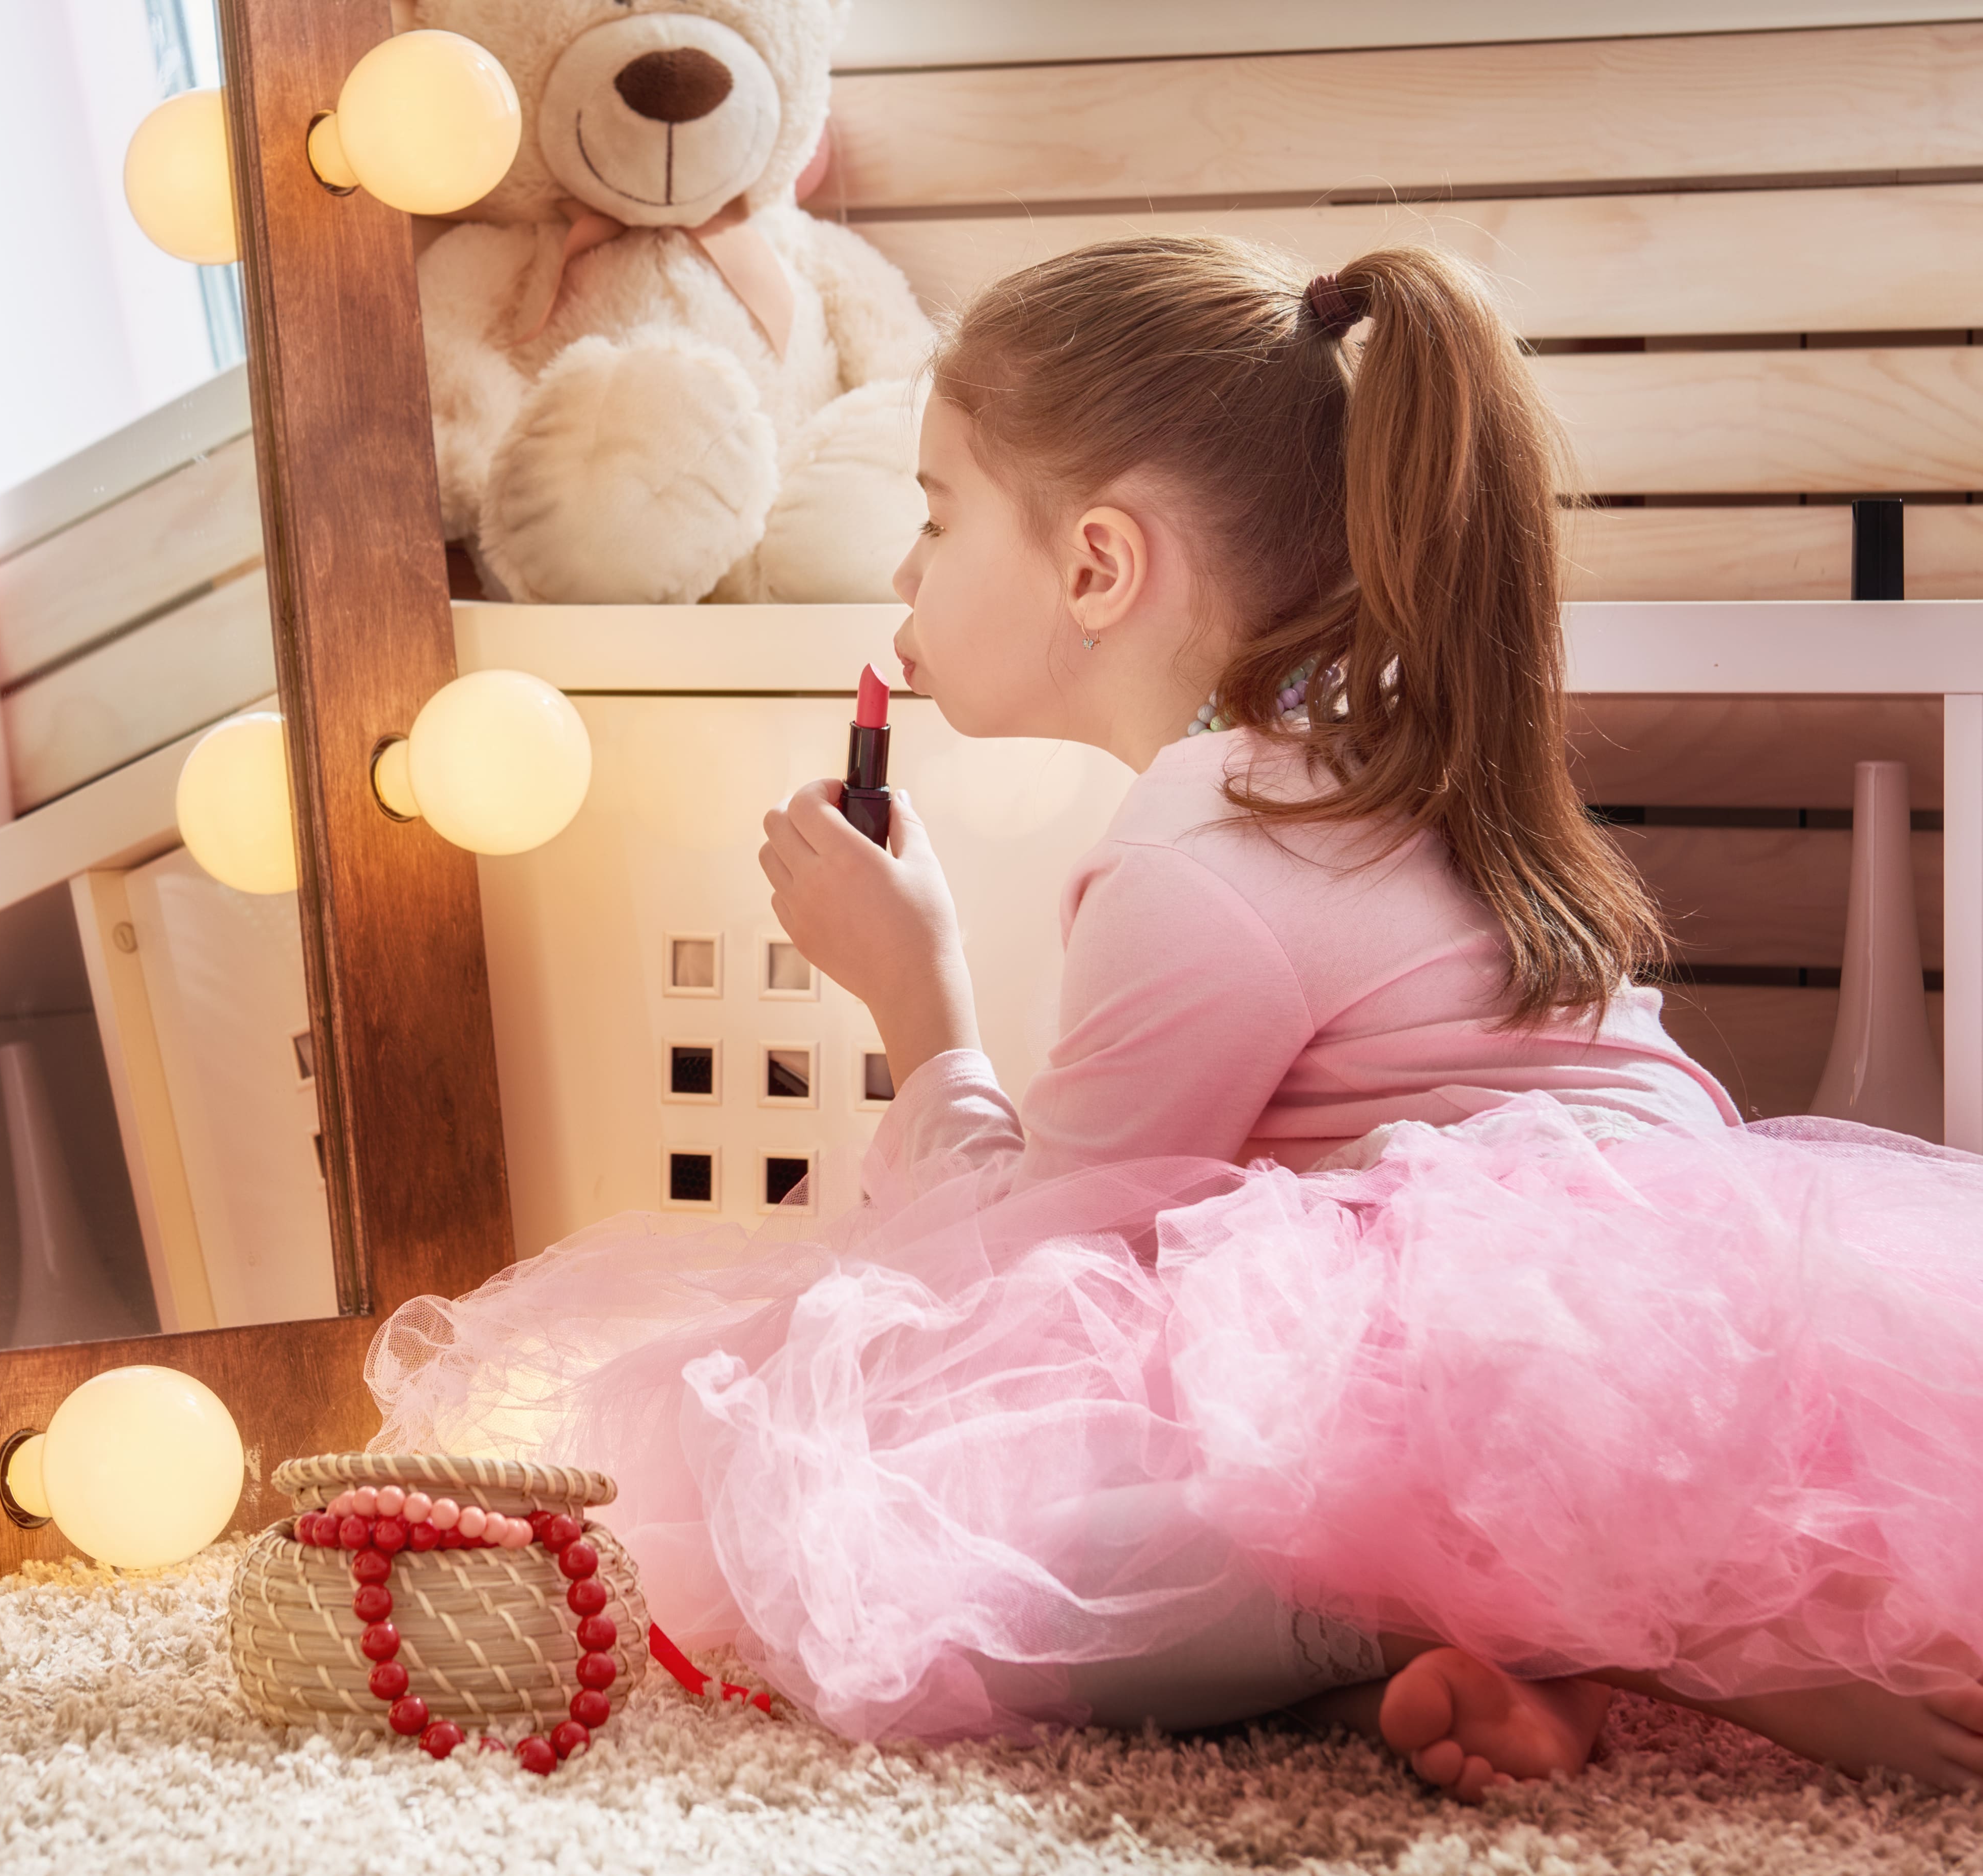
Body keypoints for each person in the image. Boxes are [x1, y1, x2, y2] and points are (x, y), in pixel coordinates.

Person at [369, 237, 1983, 1796]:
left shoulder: (1208, 848)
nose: (901, 573)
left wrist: (916, 1003)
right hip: (1697, 1337)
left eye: (932, 520)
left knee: (875, 1531)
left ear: (1094, 564)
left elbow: (1018, 1264)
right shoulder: (1362, 762)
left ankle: (1573, 1620)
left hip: (1521, 1386)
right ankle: (1457, 1656)